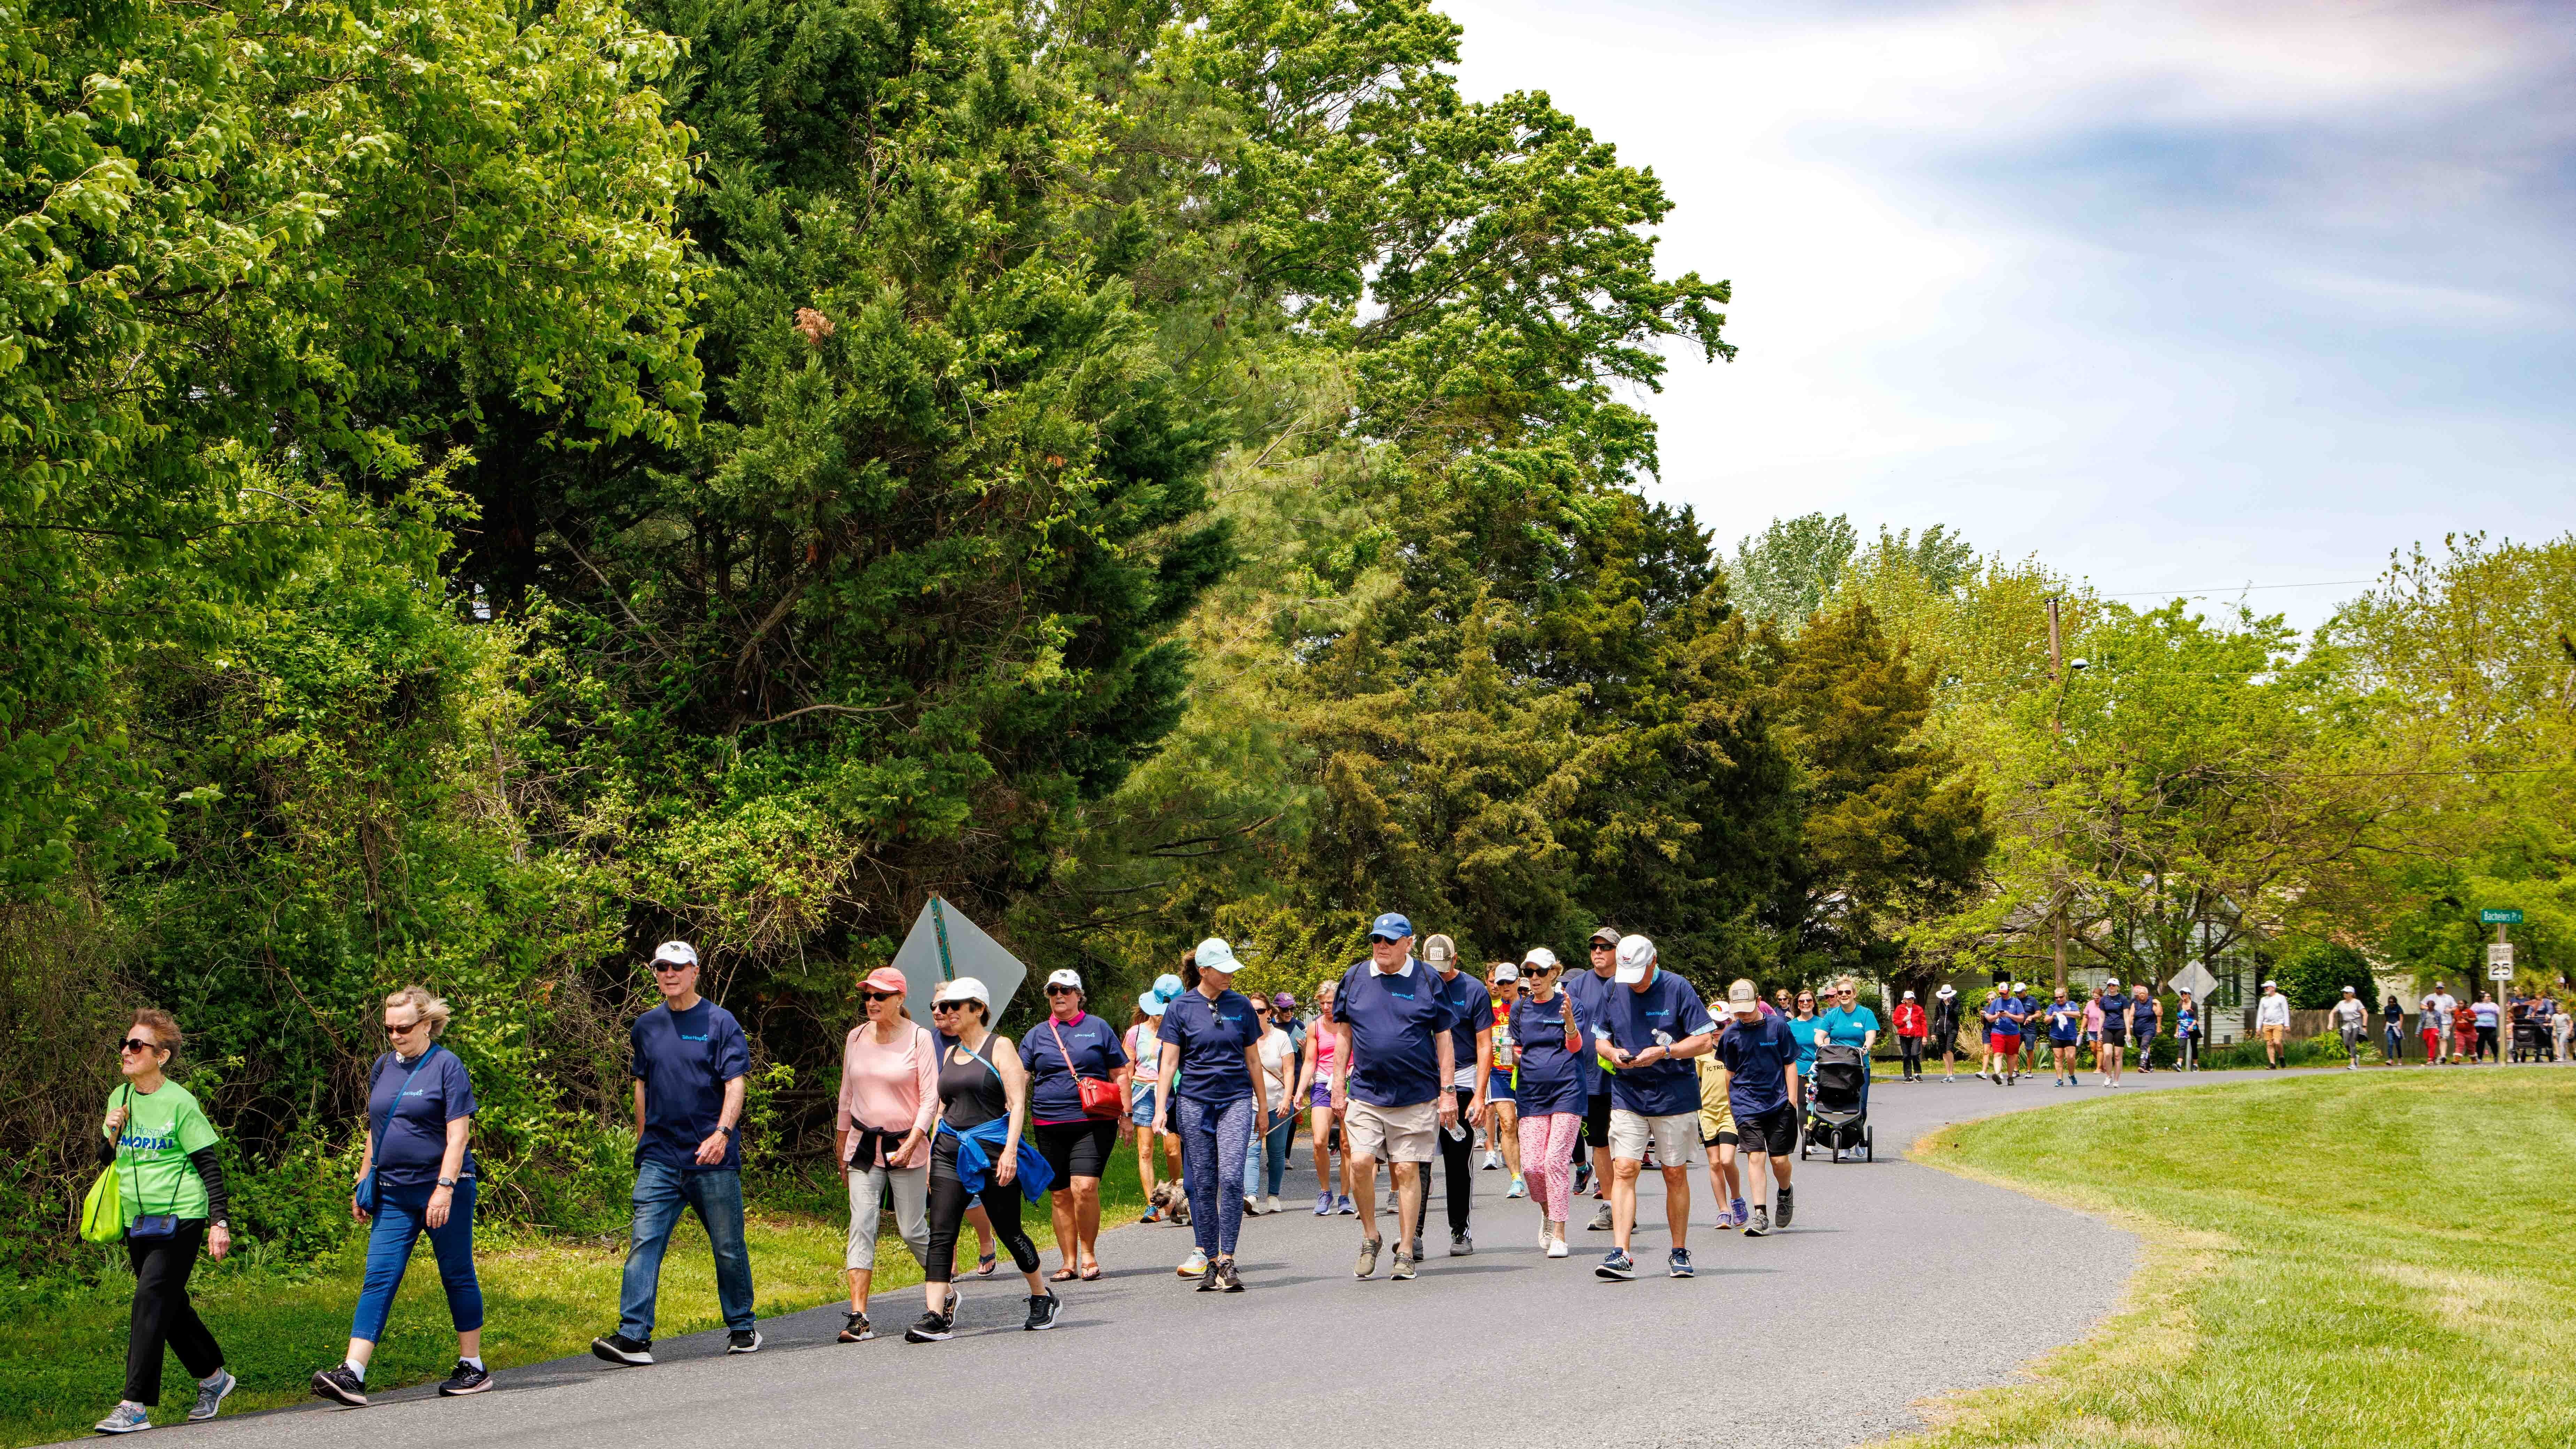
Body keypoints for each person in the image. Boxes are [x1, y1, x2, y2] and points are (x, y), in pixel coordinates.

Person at [311, 987, 488, 1407]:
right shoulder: (382, 1066)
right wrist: (363, 1179)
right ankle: (352, 1372)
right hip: (392, 1193)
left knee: (456, 1273)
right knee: (379, 1276)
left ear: (426, 1024)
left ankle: (473, 1366)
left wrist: (444, 1188)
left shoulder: (447, 1065)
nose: (395, 1035)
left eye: (404, 1027)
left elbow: (458, 1134)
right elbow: (377, 1127)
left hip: (445, 1191)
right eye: (389, 1028)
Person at [593, 942, 758, 1366]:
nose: (669, 973)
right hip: (661, 1158)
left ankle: (742, 1326)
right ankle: (633, 1336)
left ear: (694, 971)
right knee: (644, 1243)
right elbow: (641, 1085)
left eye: (677, 967)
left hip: (711, 1157)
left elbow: (735, 1083)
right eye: (661, 967)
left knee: (727, 1246)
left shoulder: (720, 1022)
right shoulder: (646, 1025)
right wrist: (643, 1137)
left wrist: (722, 1133)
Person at [91, 1009, 235, 1435]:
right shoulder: (120, 1096)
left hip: (182, 1217)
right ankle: (214, 1377)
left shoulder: (180, 1102)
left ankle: (134, 1404)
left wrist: (219, 1221)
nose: (126, 1050)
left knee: (149, 1299)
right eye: (125, 1042)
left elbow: (209, 1166)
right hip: (139, 1221)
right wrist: (111, 1132)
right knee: (169, 1307)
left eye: (137, 1045)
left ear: (163, 1055)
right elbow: (105, 1159)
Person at [905, 977, 1056, 1340]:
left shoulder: (1000, 1047)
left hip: (991, 1151)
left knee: (1008, 1229)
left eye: (955, 1006)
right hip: (947, 1151)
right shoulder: (948, 1053)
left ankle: (1041, 1295)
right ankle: (935, 1314)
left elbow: (1018, 1103)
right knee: (942, 1232)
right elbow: (943, 1107)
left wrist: (1009, 1152)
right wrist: (930, 1154)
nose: (945, 1012)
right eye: (942, 1007)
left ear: (978, 1008)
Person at [1330, 912, 1462, 1282]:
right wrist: (1337, 1085)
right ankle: (1370, 1235)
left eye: (1390, 940)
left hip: (1416, 1095)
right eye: (1376, 939)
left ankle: (1405, 1249)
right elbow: (1343, 1034)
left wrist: (1448, 1090)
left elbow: (1443, 1037)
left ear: (1408, 942)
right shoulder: (1356, 976)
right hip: (1367, 1093)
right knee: (1359, 1162)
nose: (1381, 946)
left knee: (1406, 1169)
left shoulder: (1426, 978)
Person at [1589, 935, 1715, 1280]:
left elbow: (1705, 1039)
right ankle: (1621, 1253)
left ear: (1654, 961)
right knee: (1625, 1169)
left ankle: (1678, 1251)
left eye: (1640, 975)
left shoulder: (1678, 987)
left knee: (1673, 1172)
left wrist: (1664, 1051)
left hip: (1673, 1095)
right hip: (1628, 1093)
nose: (1635, 983)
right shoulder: (1615, 987)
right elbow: (1600, 1037)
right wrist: (1612, 1053)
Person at [831, 965, 938, 1343]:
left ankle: (945, 1292)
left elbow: (930, 1097)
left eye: (880, 996)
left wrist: (913, 1140)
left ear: (899, 998)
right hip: (863, 1145)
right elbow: (847, 1094)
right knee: (862, 1222)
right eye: (867, 996)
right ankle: (859, 1316)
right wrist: (841, 1144)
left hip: (905, 1144)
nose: (871, 1002)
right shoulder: (856, 1037)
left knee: (911, 1229)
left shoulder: (919, 1037)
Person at [1156, 939, 1267, 1291]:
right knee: (1203, 1183)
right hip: (1193, 1102)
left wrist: (1262, 1106)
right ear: (1204, 970)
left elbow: (1253, 1059)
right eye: (1224, 968)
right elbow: (1169, 1062)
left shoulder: (1242, 1007)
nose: (1231, 973)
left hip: (1235, 1099)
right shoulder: (1181, 1008)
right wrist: (1161, 1108)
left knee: (1232, 1178)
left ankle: (1228, 1259)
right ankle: (1210, 1262)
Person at [1021, 968, 1131, 1281]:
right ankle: (1068, 1261)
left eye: (1066, 990)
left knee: (1084, 1187)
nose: (1059, 995)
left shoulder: (1098, 1028)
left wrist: (1127, 1114)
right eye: (1053, 990)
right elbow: (1023, 1075)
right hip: (1048, 1122)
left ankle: (1089, 1253)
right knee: (1059, 1195)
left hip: (1093, 1121)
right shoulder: (1036, 1035)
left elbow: (1120, 1073)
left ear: (1079, 995)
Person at [1507, 948, 1586, 1256]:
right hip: (1531, 1093)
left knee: (1555, 1162)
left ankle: (1560, 1234)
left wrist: (1569, 1022)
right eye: (1529, 973)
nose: (1535, 978)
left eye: (1541, 972)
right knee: (1532, 1167)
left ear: (1554, 972)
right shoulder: (1520, 1009)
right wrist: (1511, 1056)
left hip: (1567, 1091)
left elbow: (1576, 1046)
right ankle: (1547, 1214)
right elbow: (1516, 1049)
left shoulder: (1570, 1004)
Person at [1421, 934, 1493, 1258]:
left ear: (1455, 960)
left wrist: (1480, 1095)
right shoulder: (1415, 984)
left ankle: (1460, 1230)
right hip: (1422, 1083)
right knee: (1416, 1162)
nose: (1439, 974)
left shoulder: (1474, 990)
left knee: (1456, 1160)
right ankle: (1414, 1235)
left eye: (1444, 967)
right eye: (1431, 967)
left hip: (1462, 1082)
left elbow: (1484, 1045)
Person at [1715, 980, 1800, 1237]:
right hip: (1746, 1105)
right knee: (1756, 1157)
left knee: (1779, 1161)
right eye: (1738, 1011)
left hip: (1778, 1102)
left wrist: (1792, 1102)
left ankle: (1785, 1191)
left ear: (1759, 1000)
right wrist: (1733, 1105)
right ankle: (1760, 1214)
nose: (1742, 1015)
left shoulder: (1778, 1027)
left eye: (1747, 1009)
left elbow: (1790, 1064)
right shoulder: (1731, 1035)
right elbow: (1729, 1073)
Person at [1565, 925, 1622, 1232]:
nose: (1598, 952)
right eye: (1594, 947)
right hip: (1589, 1076)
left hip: (1626, 1078)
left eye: (1606, 947)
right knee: (1599, 1142)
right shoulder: (1577, 987)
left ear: (1618, 952)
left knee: (1625, 1145)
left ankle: (1625, 1202)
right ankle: (1611, 1205)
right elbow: (1565, 1028)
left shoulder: (1628, 983)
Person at [1299, 980, 1353, 1215]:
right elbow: (1310, 1061)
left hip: (1350, 1083)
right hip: (1323, 1085)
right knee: (1320, 1141)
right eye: (1322, 1003)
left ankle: (1345, 1196)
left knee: (1346, 1144)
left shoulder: (1350, 1022)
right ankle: (1325, 1192)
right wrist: (1301, 1090)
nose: (1325, 1007)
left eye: (1330, 1002)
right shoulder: (1315, 1027)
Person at [1127, 988, 1181, 1221]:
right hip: (1143, 1093)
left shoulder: (1179, 1031)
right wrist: (1125, 1108)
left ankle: (1175, 1197)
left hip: (1170, 1092)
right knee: (1145, 1150)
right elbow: (1127, 1071)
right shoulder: (1135, 1033)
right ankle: (1152, 1205)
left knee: (1173, 1149)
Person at [1245, 994, 1298, 1216]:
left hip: (1279, 1104)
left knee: (1277, 1153)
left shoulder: (1282, 1038)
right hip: (1251, 1105)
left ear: (1269, 1013)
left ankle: (1273, 1196)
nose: (1255, 1015)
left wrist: (1288, 1099)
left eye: (1259, 1011)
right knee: (1251, 1151)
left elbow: (1289, 1071)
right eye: (1251, 1011)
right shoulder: (1243, 1038)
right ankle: (1251, 1197)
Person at [1483, 961, 1527, 1199]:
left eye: (1510, 981)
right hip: (1498, 1072)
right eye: (1501, 982)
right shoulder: (1490, 1009)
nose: (1505, 986)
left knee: (1528, 1127)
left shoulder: (1528, 1006)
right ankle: (1516, 1179)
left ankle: (1536, 1171)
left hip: (1527, 1073)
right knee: (1508, 1124)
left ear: (1518, 982)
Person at [1816, 978, 1879, 1127]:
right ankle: (1843, 1137)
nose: (1844, 995)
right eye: (1840, 993)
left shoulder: (1866, 1014)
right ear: (1838, 995)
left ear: (1854, 994)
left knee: (1860, 1105)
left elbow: (1871, 1036)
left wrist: (1865, 1049)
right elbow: (1820, 1035)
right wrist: (1822, 1046)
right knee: (1840, 1104)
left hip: (1859, 1065)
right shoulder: (1832, 1015)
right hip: (1837, 1066)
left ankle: (1858, 1134)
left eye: (1848, 992)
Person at [1981, 987, 2023, 1086]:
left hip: (2013, 1033)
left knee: (2011, 1055)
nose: (2003, 995)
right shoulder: (1996, 1002)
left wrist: (2009, 1015)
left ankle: (2010, 1077)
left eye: (2005, 993)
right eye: (2001, 993)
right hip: (1998, 1032)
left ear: (2009, 991)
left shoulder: (2016, 1002)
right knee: (1998, 1054)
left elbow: (2021, 1019)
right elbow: (1990, 1019)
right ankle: (1997, 1074)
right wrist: (1997, 1016)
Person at [2043, 987, 2083, 1086]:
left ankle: (2072, 1074)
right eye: (2056, 998)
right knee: (2058, 1058)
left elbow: (2078, 1014)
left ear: (2064, 996)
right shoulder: (2052, 1007)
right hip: (2056, 1036)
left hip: (2070, 1035)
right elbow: (2046, 1020)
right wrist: (2052, 1017)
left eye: (2061, 997)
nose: (2059, 999)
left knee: (2071, 1057)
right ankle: (2060, 1080)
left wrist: (2065, 1013)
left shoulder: (2071, 1004)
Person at [2093, 981, 2128, 1087]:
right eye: (2110, 986)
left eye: (2114, 985)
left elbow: (2127, 1016)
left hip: (2120, 1028)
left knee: (2118, 1056)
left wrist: (2129, 1033)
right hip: (2108, 1028)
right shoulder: (2104, 1000)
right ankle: (2109, 1076)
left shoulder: (2123, 999)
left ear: (2118, 987)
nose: (2112, 987)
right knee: (2108, 1054)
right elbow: (2102, 1016)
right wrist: (2099, 1032)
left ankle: (2117, 1080)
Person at [2254, 979, 2293, 1069]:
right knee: (2269, 1044)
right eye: (2265, 988)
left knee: (2277, 1042)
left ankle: (2281, 1057)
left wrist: (2287, 1025)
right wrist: (2258, 1028)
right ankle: (2272, 1064)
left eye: (2267, 988)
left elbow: (2285, 1012)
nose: (2265, 989)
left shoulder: (2281, 998)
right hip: (2267, 1024)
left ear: (2273, 988)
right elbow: (2261, 1014)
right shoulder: (2264, 1000)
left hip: (2278, 1024)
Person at [1930, 984, 1964, 1081]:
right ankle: (1948, 1074)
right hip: (1941, 1029)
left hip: (1952, 1029)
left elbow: (1955, 1014)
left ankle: (1952, 1074)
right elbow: (1936, 1017)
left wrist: (1948, 1005)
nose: (1945, 998)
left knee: (1949, 1050)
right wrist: (1934, 1032)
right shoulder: (1939, 1003)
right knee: (1944, 1052)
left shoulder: (1956, 1002)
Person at [1892, 990, 1927, 1082]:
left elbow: (1923, 1023)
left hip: (1916, 1035)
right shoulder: (1900, 1009)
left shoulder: (1919, 1009)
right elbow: (1895, 1021)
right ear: (1904, 999)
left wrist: (1925, 1036)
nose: (1911, 1000)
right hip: (1904, 1035)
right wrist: (1903, 1020)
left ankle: (1917, 1074)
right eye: (1909, 999)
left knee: (1915, 1054)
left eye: (1912, 998)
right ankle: (1909, 1076)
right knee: (1906, 1056)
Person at [2333, 985, 2369, 1070]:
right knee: (2346, 1043)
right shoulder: (2341, 1003)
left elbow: (2365, 1014)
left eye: (2346, 993)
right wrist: (2330, 1024)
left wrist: (2364, 1026)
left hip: (2355, 1024)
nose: (2344, 994)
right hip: (2346, 1025)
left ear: (2352, 994)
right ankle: (2355, 1056)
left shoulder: (2357, 1002)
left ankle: (2353, 1064)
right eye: (2344, 992)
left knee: (2352, 1043)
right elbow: (2332, 1013)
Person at [2129, 983, 2162, 1073]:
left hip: (2149, 1029)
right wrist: (2129, 1028)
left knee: (2145, 1045)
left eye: (2144, 994)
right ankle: (2149, 1067)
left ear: (2147, 995)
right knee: (2142, 1047)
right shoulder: (2135, 1004)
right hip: (2138, 1029)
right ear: (2138, 996)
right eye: (2140, 994)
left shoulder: (2152, 1002)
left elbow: (2159, 1014)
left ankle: (2142, 1065)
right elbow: (2131, 1016)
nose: (2142, 995)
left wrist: (2159, 1027)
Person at [2174, 990, 2200, 1072]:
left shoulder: (2194, 1005)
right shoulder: (2179, 1006)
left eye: (2185, 993)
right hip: (2183, 1028)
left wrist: (2192, 1025)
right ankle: (2179, 1064)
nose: (2183, 995)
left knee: (2194, 1046)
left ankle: (2195, 1065)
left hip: (2193, 1028)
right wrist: (2177, 1032)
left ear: (2189, 995)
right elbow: (2178, 1020)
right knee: (2181, 1046)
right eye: (2182, 994)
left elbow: (2196, 1018)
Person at [2472, 991, 2501, 1064]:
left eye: (2490, 996)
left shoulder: (2494, 1005)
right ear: (2483, 998)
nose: (2489, 998)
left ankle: (2496, 1056)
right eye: (2487, 996)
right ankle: (2480, 1058)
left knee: (2493, 1041)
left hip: (2491, 1026)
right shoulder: (2477, 1005)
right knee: (2480, 1042)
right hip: (2480, 1026)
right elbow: (2471, 1013)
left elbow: (2500, 1012)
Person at [2381, 992, 2405, 1066]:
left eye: (2391, 1002)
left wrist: (2400, 1026)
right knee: (2390, 1043)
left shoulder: (2398, 1008)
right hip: (2390, 1028)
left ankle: (2400, 1058)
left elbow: (2401, 1017)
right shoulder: (2386, 1008)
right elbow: (2386, 1018)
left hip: (2397, 1027)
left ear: (2395, 1002)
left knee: (2398, 1044)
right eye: (2389, 1002)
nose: (2390, 1003)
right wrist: (2384, 1027)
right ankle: (2391, 1060)